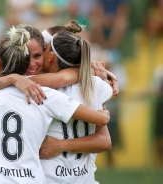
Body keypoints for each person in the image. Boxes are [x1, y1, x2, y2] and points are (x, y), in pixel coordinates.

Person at [0, 26, 110, 184]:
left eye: (37, 55)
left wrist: (61, 145)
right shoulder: (82, 87)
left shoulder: (33, 89)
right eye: (28, 57)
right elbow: (101, 123)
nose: (33, 63)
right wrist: (86, 70)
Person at [31, 21, 113, 183]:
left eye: (41, 53)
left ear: (51, 56)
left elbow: (104, 142)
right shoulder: (95, 85)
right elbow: (103, 141)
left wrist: (61, 145)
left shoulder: (36, 89)